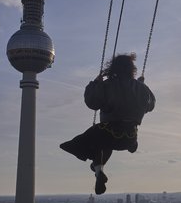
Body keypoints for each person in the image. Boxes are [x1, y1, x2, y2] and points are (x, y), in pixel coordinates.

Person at [60, 53, 155, 194]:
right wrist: (141, 85)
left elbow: (92, 102)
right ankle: (101, 168)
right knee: (104, 142)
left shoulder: (106, 85)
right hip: (129, 136)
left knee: (95, 140)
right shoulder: (141, 88)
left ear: (113, 68)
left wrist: (95, 84)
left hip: (108, 132)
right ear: (131, 69)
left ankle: (98, 170)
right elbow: (150, 105)